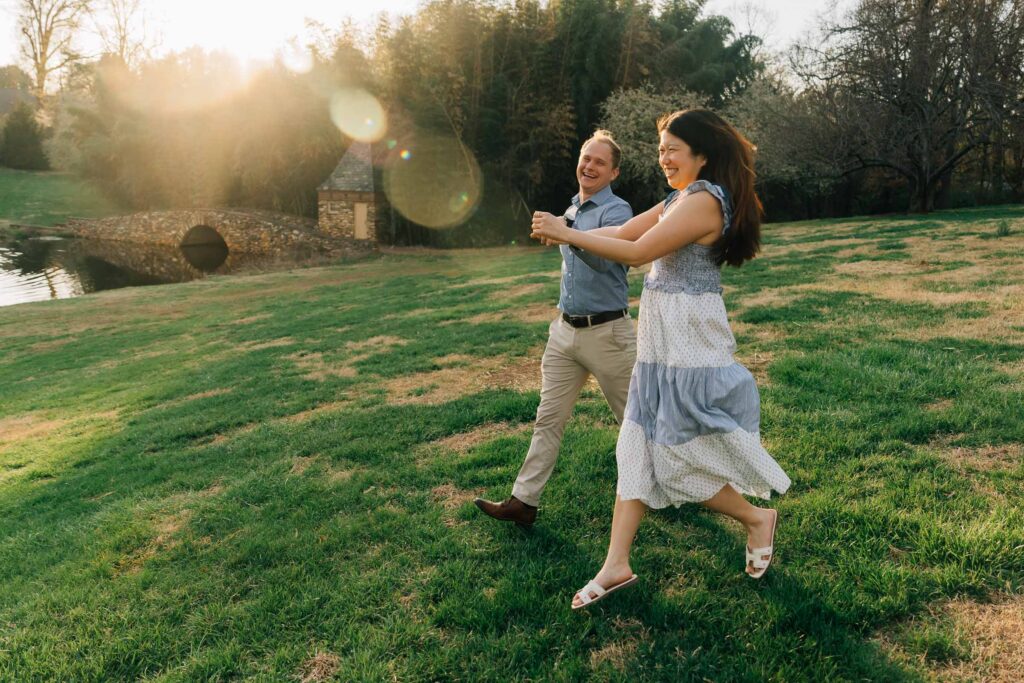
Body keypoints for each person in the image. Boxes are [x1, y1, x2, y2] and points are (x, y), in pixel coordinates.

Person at [529, 109, 791, 609]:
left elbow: (636, 254)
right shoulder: (678, 198)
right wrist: (568, 227)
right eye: (660, 150)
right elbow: (624, 234)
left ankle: (757, 518)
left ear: (702, 155)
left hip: (690, 342)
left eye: (673, 149)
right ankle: (616, 565)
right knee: (636, 446)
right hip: (660, 341)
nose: (664, 158)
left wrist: (566, 233)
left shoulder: (705, 201)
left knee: (675, 455)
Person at [474, 130, 637, 529]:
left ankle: (674, 486)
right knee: (548, 418)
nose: (590, 166)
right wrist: (560, 229)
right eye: (586, 157)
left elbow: (610, 263)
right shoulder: (571, 210)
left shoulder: (618, 211)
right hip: (564, 333)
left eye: (600, 162)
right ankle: (523, 502)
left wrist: (567, 235)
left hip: (609, 334)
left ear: (613, 171)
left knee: (636, 421)